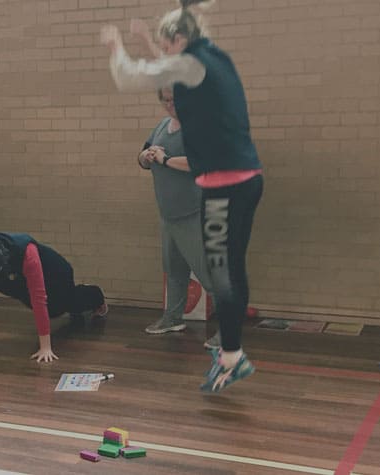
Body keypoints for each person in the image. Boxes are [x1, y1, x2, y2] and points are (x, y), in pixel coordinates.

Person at [102, 0, 264, 392]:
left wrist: (116, 46)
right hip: (248, 179)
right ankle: (232, 353)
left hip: (222, 186)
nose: (165, 51)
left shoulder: (190, 64)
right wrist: (150, 42)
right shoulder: (215, 58)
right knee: (232, 268)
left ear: (180, 38)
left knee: (221, 273)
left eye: (166, 44)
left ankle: (231, 355)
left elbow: (129, 76)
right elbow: (175, 71)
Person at [0, 232, 109, 362]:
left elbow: (38, 299)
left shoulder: (26, 253)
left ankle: (95, 295)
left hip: (55, 272)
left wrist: (45, 348)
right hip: (18, 277)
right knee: (52, 311)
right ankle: (74, 305)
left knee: (62, 305)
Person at [138, 87, 213, 336]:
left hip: (193, 212)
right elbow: (144, 154)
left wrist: (165, 159)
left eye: (175, 100)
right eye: (166, 100)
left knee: (208, 273)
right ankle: (172, 318)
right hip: (169, 214)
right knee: (174, 270)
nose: (170, 105)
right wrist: (145, 156)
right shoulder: (162, 126)